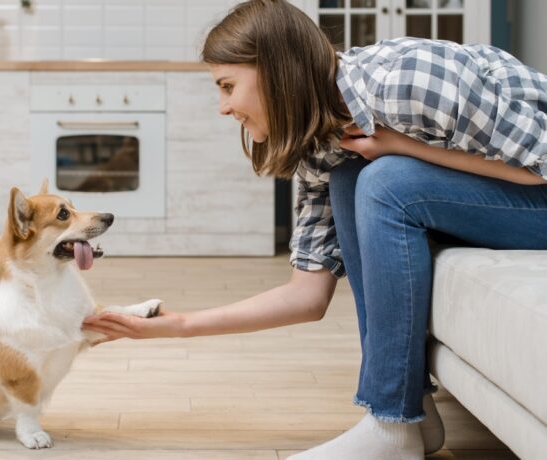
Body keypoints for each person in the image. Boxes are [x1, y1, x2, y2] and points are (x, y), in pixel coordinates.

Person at [82, 1, 547, 458]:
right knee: (352, 176)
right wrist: (176, 326)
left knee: (384, 178)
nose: (223, 108)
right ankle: (413, 416)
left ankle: (389, 426)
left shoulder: (406, 82)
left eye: (228, 86)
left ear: (277, 70)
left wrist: (401, 147)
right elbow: (308, 295)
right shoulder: (324, 142)